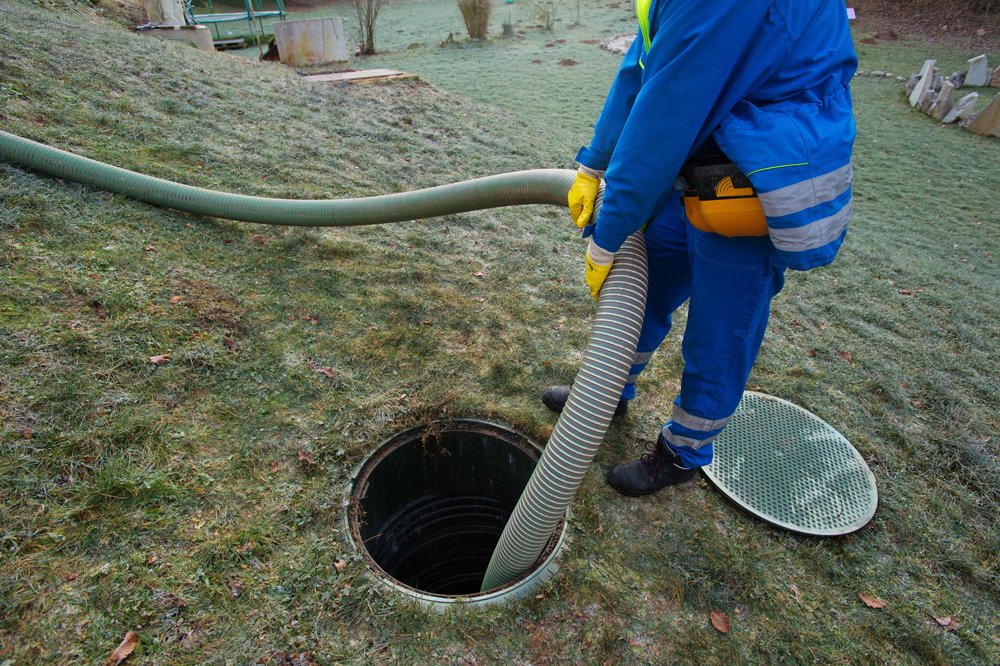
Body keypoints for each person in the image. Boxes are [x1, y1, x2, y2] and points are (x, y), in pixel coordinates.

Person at [542, 0, 858, 497]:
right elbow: (645, 63)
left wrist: (607, 240)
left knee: (719, 334)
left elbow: (666, 114)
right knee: (643, 293)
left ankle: (683, 451)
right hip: (697, 162)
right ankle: (608, 391)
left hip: (751, 181)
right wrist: (593, 163)